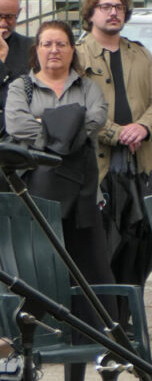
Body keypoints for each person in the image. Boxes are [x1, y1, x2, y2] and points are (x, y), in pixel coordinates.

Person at [4, 20, 110, 284]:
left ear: (72, 49)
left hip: (83, 194)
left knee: (87, 271)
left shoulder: (89, 88)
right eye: (47, 44)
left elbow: (96, 120)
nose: (54, 50)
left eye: (61, 44)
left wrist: (45, 124)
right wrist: (69, 125)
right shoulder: (20, 87)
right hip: (35, 193)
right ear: (37, 49)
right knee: (38, 268)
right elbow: (17, 125)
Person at [77, 0, 152, 182]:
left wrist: (143, 127)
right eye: (105, 7)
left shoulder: (141, 54)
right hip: (96, 164)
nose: (114, 12)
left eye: (119, 7)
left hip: (142, 163)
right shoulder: (78, 56)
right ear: (90, 13)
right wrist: (116, 133)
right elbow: (76, 108)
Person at [0, 0, 30, 138]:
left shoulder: (30, 48)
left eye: (9, 17)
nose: (3, 23)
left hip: (18, 138)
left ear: (18, 13)